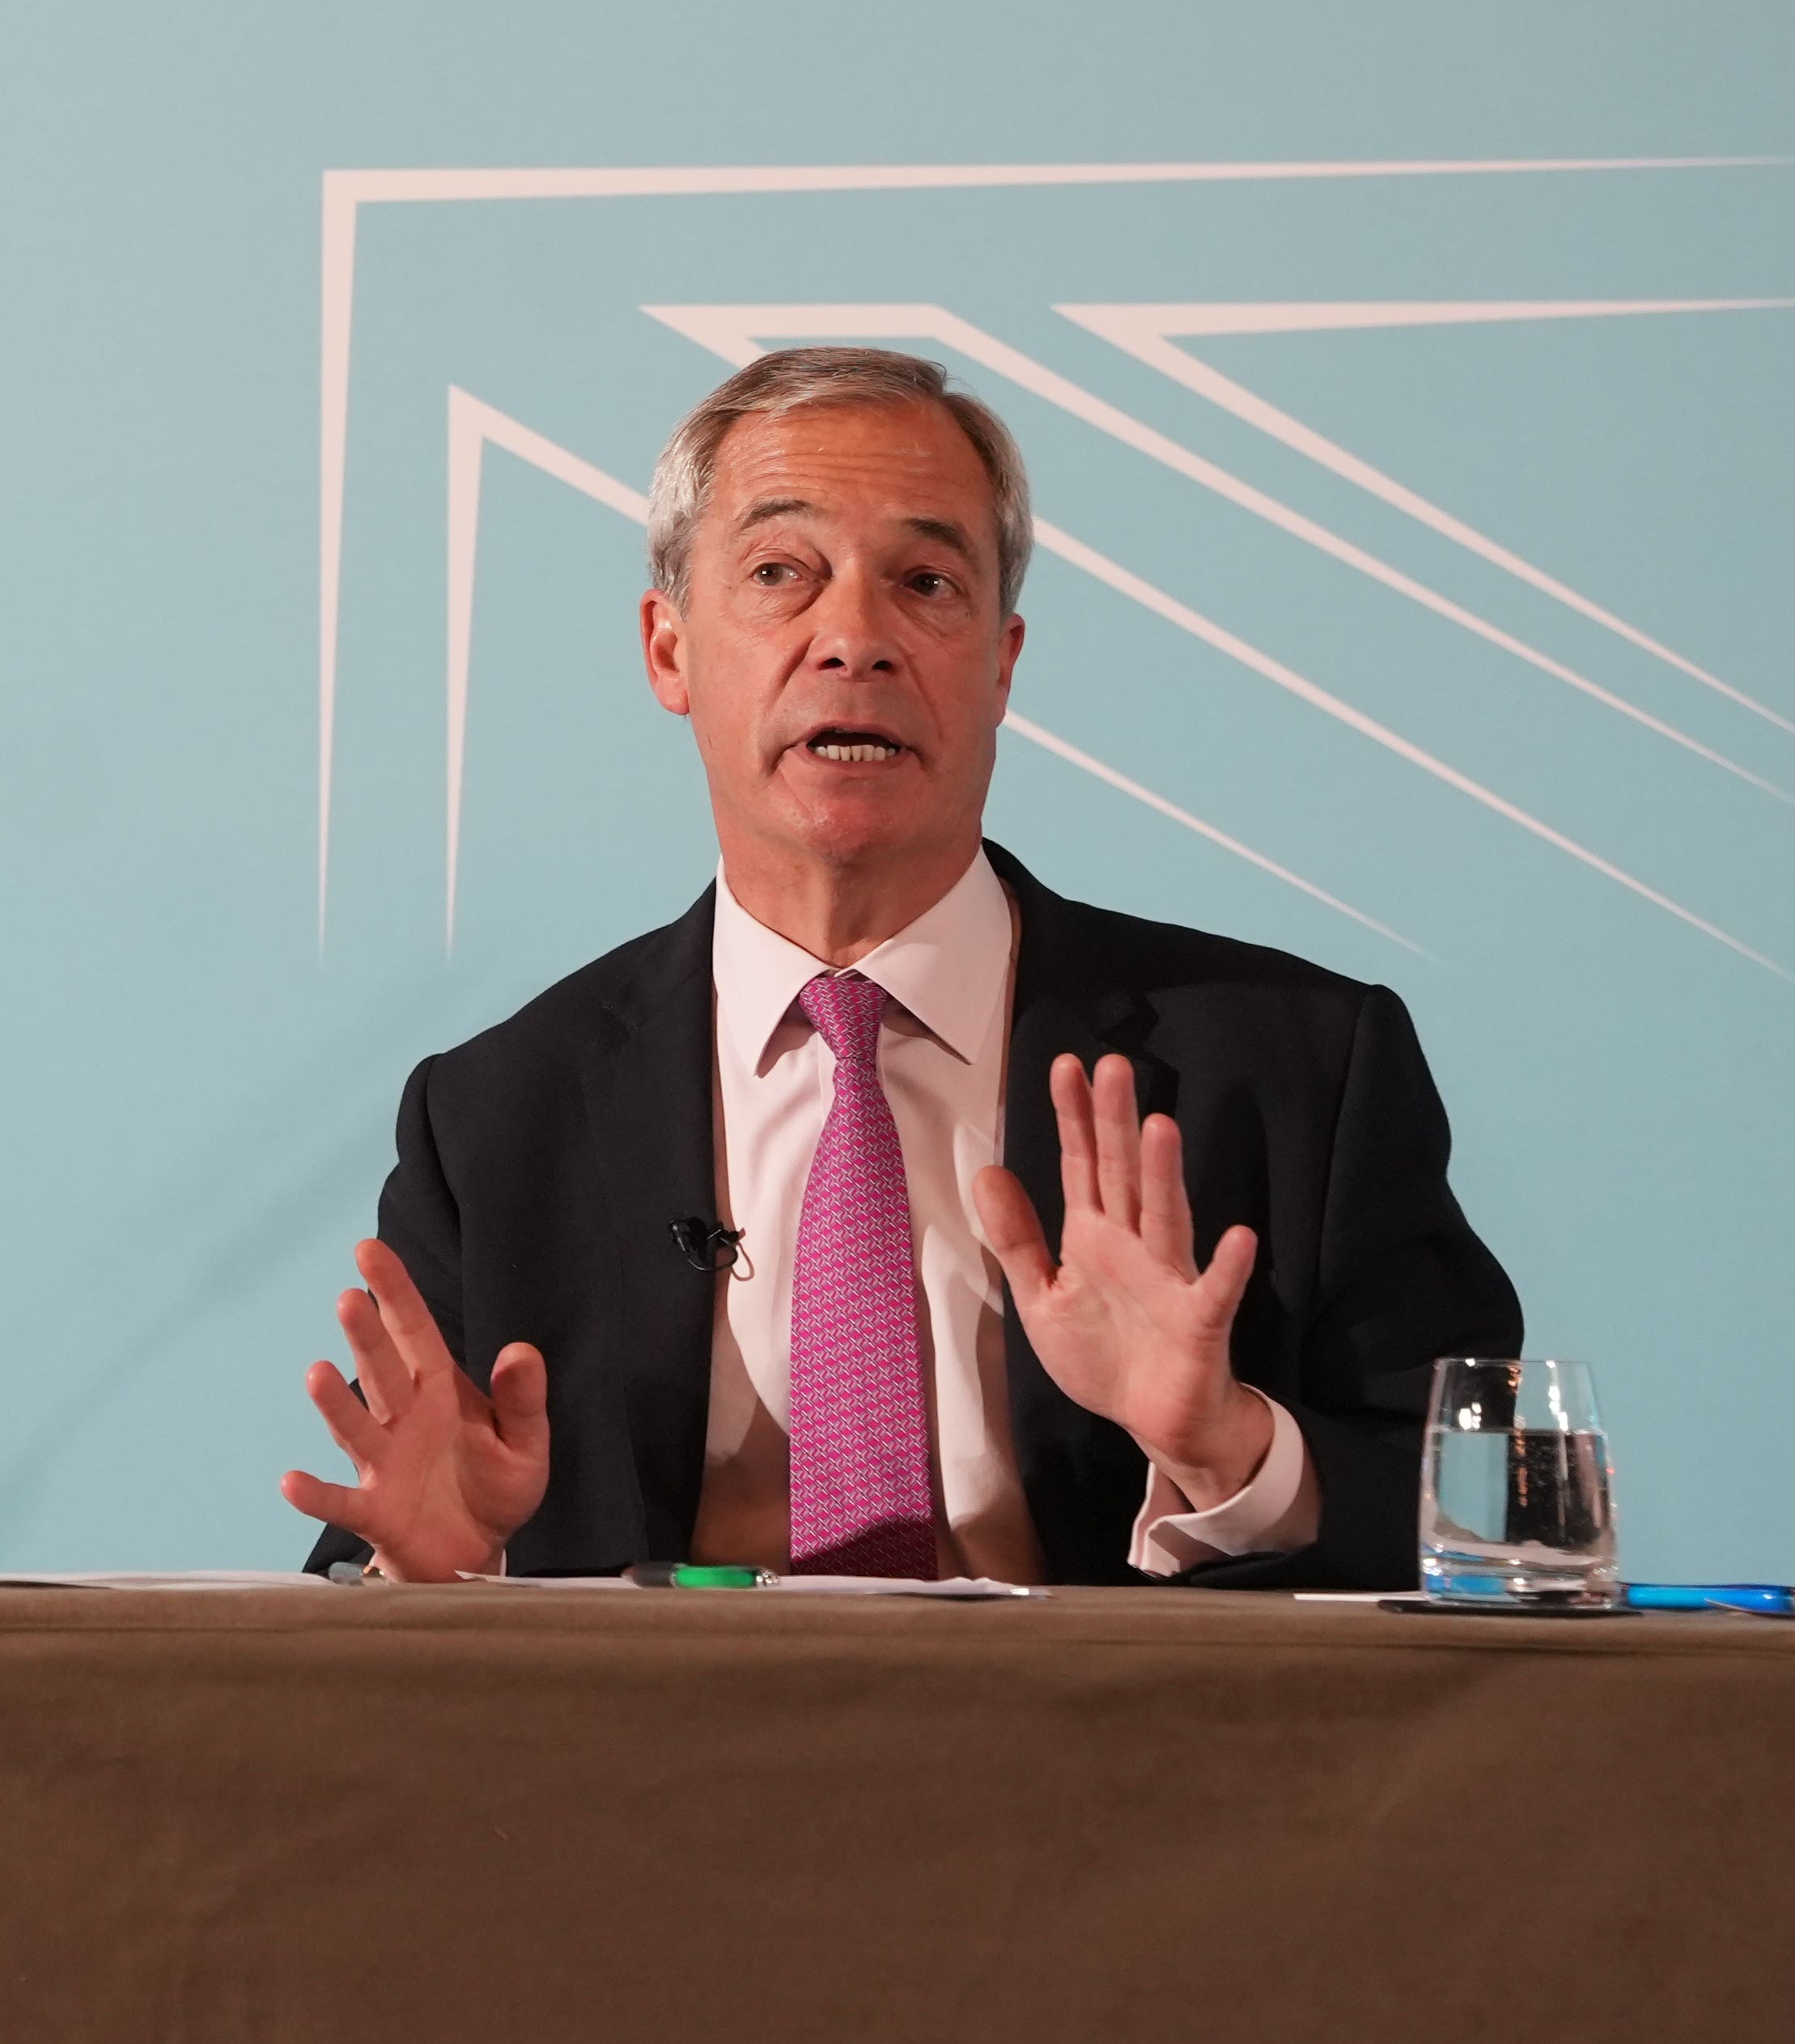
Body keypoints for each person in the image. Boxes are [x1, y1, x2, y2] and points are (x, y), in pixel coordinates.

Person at [284, 345, 1518, 1588]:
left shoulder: (1295, 1067)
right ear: (668, 650)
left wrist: (1228, 1446)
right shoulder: (499, 1117)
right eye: (781, 574)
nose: (855, 639)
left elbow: (1490, 1519)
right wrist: (434, 1581)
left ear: (1002, 662)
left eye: (926, 582)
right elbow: (389, 1548)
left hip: (1129, 1772)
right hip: (665, 1778)